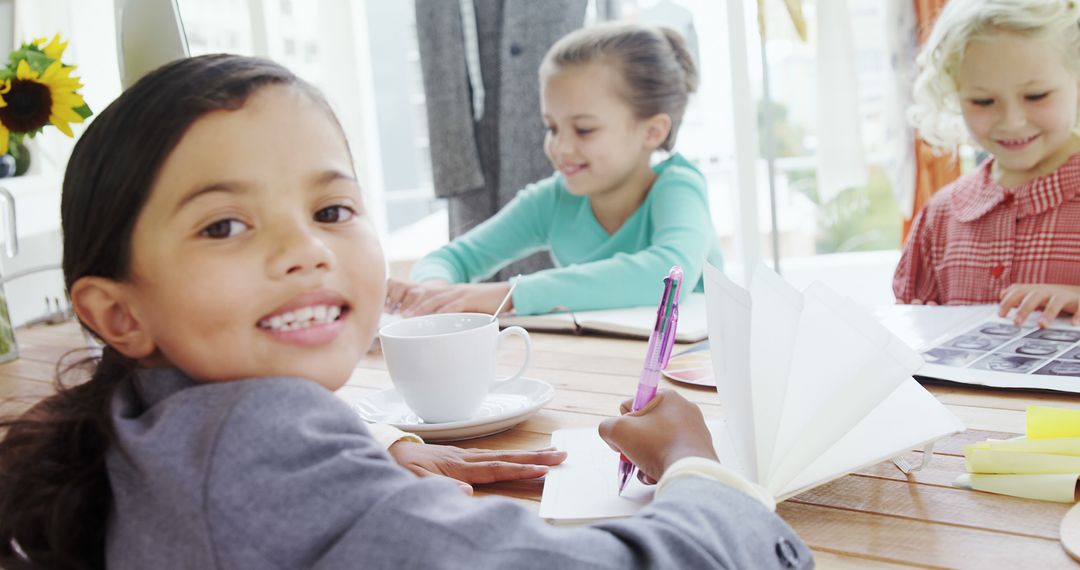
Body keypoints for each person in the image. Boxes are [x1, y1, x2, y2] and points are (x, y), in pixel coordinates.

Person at [0, 55, 810, 569]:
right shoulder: (261, 448)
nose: (307, 250)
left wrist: (373, 448)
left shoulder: (143, 419)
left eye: (333, 211)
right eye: (225, 226)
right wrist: (706, 476)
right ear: (118, 314)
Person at [386, 23, 724, 317]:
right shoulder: (551, 199)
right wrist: (434, 293)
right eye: (552, 127)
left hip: (688, 377)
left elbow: (668, 276)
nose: (559, 147)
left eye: (584, 130)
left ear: (652, 131)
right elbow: (452, 258)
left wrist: (511, 294)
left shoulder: (679, 188)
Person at [894, 0, 1080, 328]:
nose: (1012, 121)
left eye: (1036, 95)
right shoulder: (940, 218)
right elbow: (909, 340)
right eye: (983, 101)